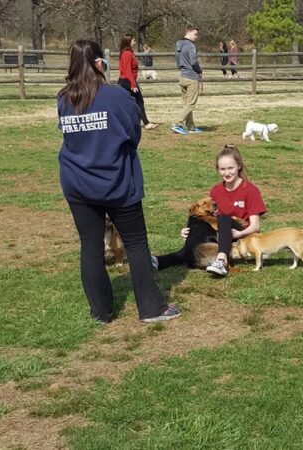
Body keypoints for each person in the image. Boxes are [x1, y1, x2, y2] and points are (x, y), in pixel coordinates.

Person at [57, 39, 180, 324]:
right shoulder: (117, 97)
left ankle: (100, 312)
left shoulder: (64, 99)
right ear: (100, 64)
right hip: (117, 182)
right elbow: (133, 135)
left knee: (90, 245)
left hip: (77, 181)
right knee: (136, 244)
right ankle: (151, 308)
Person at [205, 144, 267, 277]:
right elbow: (210, 219)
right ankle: (160, 261)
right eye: (222, 169)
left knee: (224, 218)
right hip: (224, 234)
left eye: (230, 168)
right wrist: (190, 231)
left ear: (239, 166)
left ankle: (221, 261)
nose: (226, 173)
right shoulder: (216, 191)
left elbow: (255, 226)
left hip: (244, 235)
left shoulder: (250, 190)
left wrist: (238, 234)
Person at [117, 34, 158, 130]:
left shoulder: (129, 52)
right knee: (139, 102)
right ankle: (146, 123)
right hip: (126, 82)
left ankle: (134, 122)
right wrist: (133, 84)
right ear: (128, 42)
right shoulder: (127, 54)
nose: (135, 42)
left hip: (128, 81)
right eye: (133, 40)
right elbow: (127, 71)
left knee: (133, 103)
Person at [171, 26, 203, 135]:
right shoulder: (190, 46)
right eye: (195, 34)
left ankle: (191, 126)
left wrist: (181, 68)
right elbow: (193, 61)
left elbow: (177, 60)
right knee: (191, 104)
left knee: (187, 105)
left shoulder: (179, 44)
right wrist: (199, 70)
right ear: (188, 33)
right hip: (191, 78)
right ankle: (176, 123)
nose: (196, 37)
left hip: (182, 76)